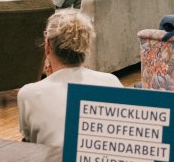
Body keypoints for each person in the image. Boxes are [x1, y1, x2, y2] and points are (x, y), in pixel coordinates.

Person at [18, 10, 123, 147]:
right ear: (85, 44)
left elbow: (30, 140)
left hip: (52, 160)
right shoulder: (111, 82)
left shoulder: (29, 93)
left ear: (47, 45)